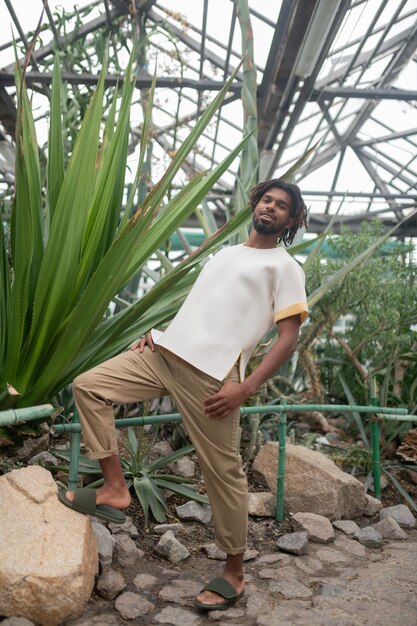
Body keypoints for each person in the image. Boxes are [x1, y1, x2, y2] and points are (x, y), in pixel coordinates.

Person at [59, 178, 308, 611]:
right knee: (89, 386)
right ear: (255, 204)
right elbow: (202, 306)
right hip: (164, 353)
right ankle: (116, 489)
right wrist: (159, 335)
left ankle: (234, 571)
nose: (271, 207)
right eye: (267, 199)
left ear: (292, 219)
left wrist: (245, 388)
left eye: (282, 205)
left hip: (212, 378)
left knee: (223, 472)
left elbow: (288, 339)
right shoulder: (226, 254)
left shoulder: (285, 268)